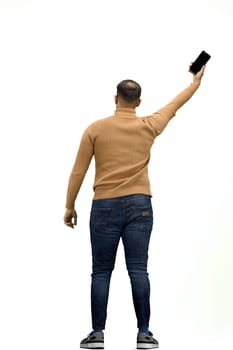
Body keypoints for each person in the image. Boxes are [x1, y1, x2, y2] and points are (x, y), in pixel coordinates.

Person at [64, 65, 206, 349]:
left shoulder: (95, 129)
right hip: (140, 206)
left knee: (101, 271)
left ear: (115, 98)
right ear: (138, 102)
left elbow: (78, 171)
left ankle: (97, 334)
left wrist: (69, 206)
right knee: (138, 269)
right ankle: (144, 334)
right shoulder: (149, 125)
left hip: (103, 206)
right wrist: (195, 83)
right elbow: (174, 105)